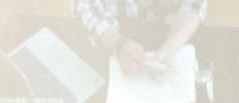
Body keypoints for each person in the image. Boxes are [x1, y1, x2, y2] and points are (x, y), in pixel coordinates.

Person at [73, 0, 206, 75]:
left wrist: (172, 46)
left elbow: (194, 3)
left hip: (176, 29)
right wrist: (118, 44)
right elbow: (86, 5)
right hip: (111, 34)